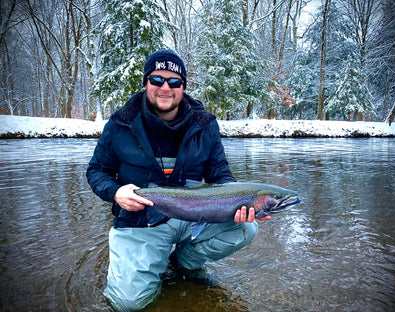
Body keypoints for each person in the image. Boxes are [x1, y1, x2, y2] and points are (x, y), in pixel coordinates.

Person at [86, 49, 270, 311]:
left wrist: (242, 202)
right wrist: (116, 193)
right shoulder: (120, 124)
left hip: (193, 216)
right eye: (157, 79)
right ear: (146, 82)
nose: (165, 88)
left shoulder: (204, 124)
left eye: (174, 82)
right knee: (127, 304)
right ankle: (154, 262)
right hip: (142, 220)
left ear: (183, 86)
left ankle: (184, 262)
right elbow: (96, 172)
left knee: (246, 228)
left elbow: (220, 173)